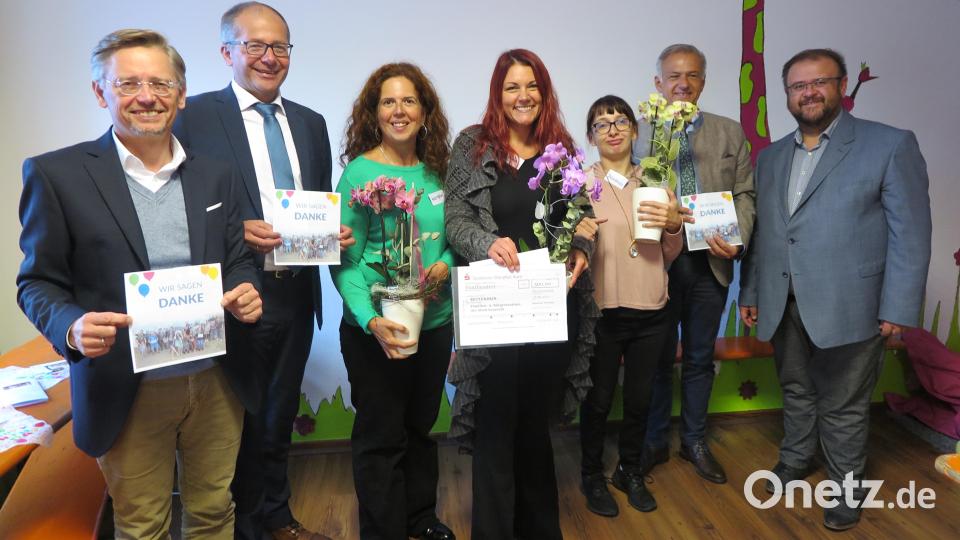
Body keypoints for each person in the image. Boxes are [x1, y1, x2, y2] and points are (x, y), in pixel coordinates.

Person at [16, 29, 263, 539]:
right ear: (100, 92)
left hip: (217, 379)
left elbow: (237, 258)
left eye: (160, 83)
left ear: (181, 93)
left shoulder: (215, 174)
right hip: (124, 386)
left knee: (214, 512)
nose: (146, 96)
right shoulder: (56, 175)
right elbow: (37, 282)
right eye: (128, 83)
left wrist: (244, 288)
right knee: (142, 524)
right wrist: (71, 326)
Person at [173, 3, 352, 539]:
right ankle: (238, 524)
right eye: (255, 45)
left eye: (279, 47)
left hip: (297, 293)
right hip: (235, 293)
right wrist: (234, 227)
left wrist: (332, 234)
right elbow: (173, 204)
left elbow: (317, 205)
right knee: (233, 423)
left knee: (277, 415)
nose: (268, 58)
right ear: (227, 51)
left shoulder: (311, 123)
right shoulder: (194, 117)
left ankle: (277, 515)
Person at [739, 48, 931, 531]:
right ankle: (796, 458)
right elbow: (767, 232)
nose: (809, 92)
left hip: (854, 305)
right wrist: (751, 294)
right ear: (787, 95)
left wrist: (899, 307)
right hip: (783, 301)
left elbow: (911, 233)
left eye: (819, 82)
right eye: (798, 86)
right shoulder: (771, 156)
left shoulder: (888, 145)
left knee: (843, 404)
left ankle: (846, 485)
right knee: (796, 389)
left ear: (841, 85)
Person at [444, 48, 596, 540]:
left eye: (531, 86)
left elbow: (581, 216)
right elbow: (455, 221)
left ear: (543, 92)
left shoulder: (562, 149)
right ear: (498, 93)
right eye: (512, 86)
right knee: (495, 426)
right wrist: (487, 243)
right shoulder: (471, 146)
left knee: (535, 425)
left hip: (551, 309)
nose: (523, 95)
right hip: (496, 314)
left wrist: (580, 248)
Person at [330, 62, 456, 540]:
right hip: (375, 330)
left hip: (434, 321)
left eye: (409, 100)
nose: (399, 110)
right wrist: (368, 320)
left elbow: (449, 238)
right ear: (374, 112)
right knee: (381, 437)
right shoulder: (359, 174)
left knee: (421, 428)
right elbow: (344, 259)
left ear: (425, 112)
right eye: (388, 101)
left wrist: (445, 262)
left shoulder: (438, 171)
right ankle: (383, 531)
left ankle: (421, 520)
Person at [634, 44, 756, 484]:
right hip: (657, 267)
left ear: (704, 80)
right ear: (658, 83)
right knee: (657, 358)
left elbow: (745, 192)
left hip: (712, 266)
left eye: (693, 76)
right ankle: (653, 441)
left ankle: (695, 440)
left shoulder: (729, 132)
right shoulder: (639, 134)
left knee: (701, 357)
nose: (683, 84)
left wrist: (737, 239)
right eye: (673, 77)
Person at [577, 96, 684, 517]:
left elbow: (670, 252)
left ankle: (630, 470)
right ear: (591, 137)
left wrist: (674, 225)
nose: (614, 129)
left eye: (621, 121)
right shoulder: (579, 184)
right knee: (599, 400)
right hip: (601, 312)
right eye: (602, 124)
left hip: (651, 309)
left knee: (639, 399)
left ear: (635, 130)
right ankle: (590, 474)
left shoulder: (657, 182)